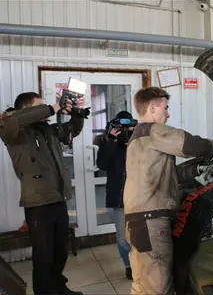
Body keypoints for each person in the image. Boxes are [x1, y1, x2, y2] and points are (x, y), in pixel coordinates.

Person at [123, 87, 213, 295]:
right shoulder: (153, 130)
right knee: (158, 287)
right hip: (150, 222)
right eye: (165, 108)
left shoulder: (138, 136)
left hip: (140, 221)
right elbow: (191, 145)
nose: (168, 114)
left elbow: (162, 172)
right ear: (152, 107)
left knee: (144, 283)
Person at [0, 92, 87, 295]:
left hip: (58, 198)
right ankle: (45, 291)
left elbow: (72, 131)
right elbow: (16, 121)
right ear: (25, 110)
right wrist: (53, 107)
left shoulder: (47, 130)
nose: (46, 109)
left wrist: (76, 112)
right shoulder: (13, 131)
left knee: (60, 251)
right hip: (37, 203)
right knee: (44, 255)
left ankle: (58, 286)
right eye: (39, 106)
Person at [96, 110, 135, 280]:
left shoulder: (139, 140)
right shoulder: (109, 143)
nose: (125, 132)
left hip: (140, 196)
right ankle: (128, 265)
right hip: (119, 197)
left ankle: (141, 265)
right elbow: (102, 164)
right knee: (122, 238)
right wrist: (111, 140)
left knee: (142, 236)